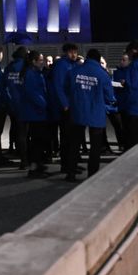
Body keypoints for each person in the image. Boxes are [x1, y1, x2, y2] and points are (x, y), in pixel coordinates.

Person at [68, 49, 117, 182]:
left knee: (75, 144)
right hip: (96, 113)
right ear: (98, 59)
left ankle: (71, 173)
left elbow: (68, 89)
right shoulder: (102, 74)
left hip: (78, 111)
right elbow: (109, 96)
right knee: (95, 147)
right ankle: (92, 175)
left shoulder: (74, 71)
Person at [3, 49, 50, 175]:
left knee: (27, 137)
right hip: (32, 109)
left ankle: (30, 163)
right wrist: (45, 104)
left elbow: (5, 85)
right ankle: (33, 166)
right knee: (34, 139)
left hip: (22, 106)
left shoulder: (14, 68)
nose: (42, 62)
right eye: (40, 60)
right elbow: (33, 92)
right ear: (32, 60)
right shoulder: (30, 72)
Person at [52, 43, 81, 178]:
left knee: (74, 137)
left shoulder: (75, 64)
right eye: (71, 52)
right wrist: (65, 104)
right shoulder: (62, 65)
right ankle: (66, 165)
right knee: (67, 137)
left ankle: (72, 163)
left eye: (75, 52)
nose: (73, 54)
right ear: (65, 53)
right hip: (67, 107)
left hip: (74, 105)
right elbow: (58, 86)